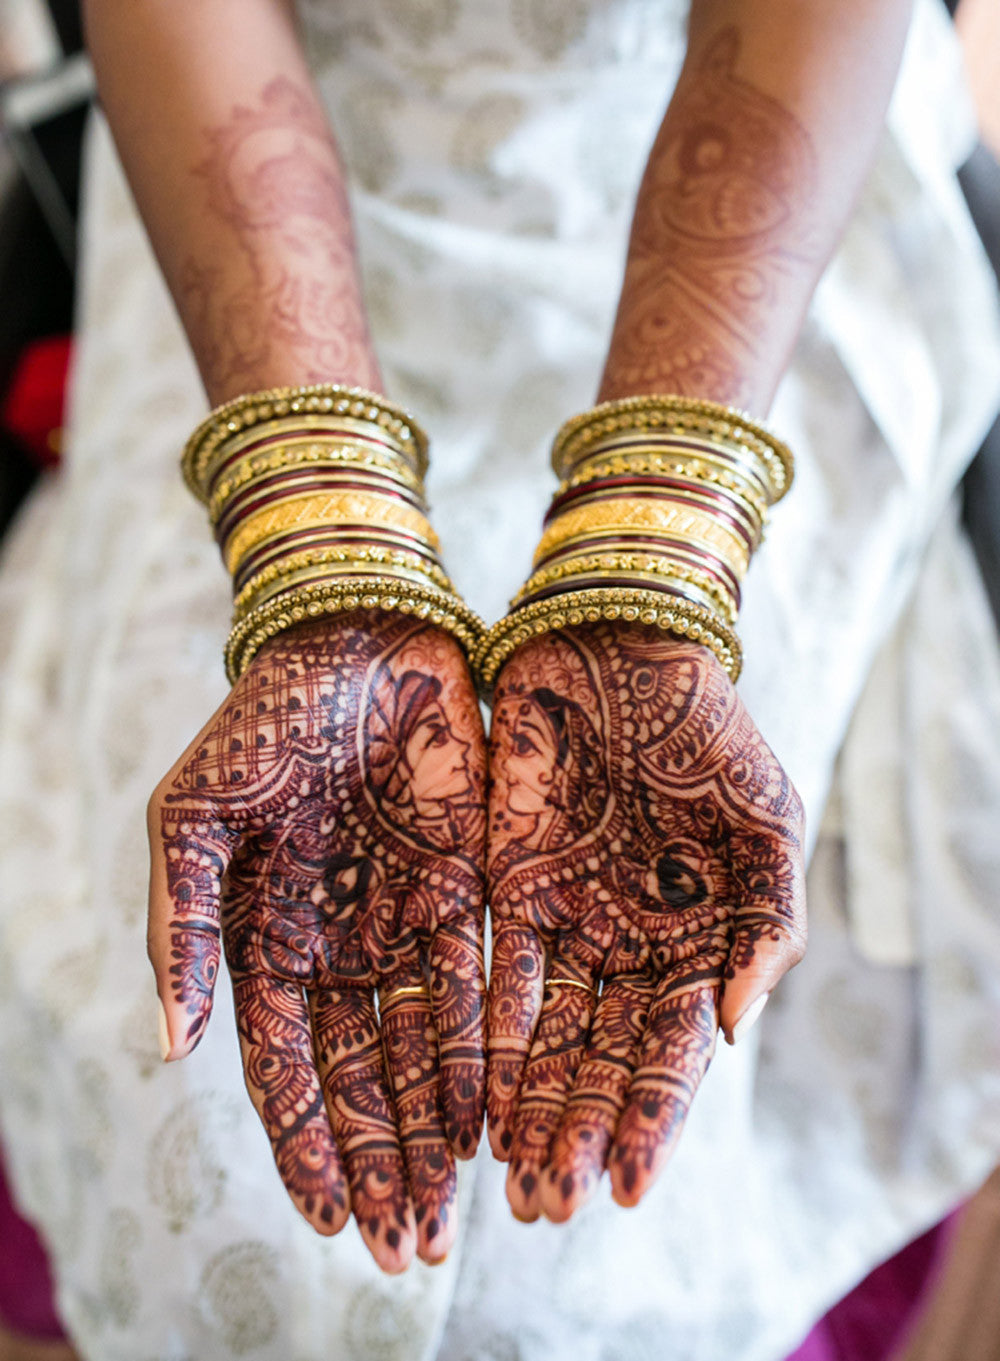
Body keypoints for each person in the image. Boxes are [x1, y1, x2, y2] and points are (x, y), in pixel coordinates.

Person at [1, 0, 1000, 1357]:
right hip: (250, 203)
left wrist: (652, 546)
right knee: (228, 1182)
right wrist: (320, 547)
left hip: (751, 224)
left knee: (588, 1251)